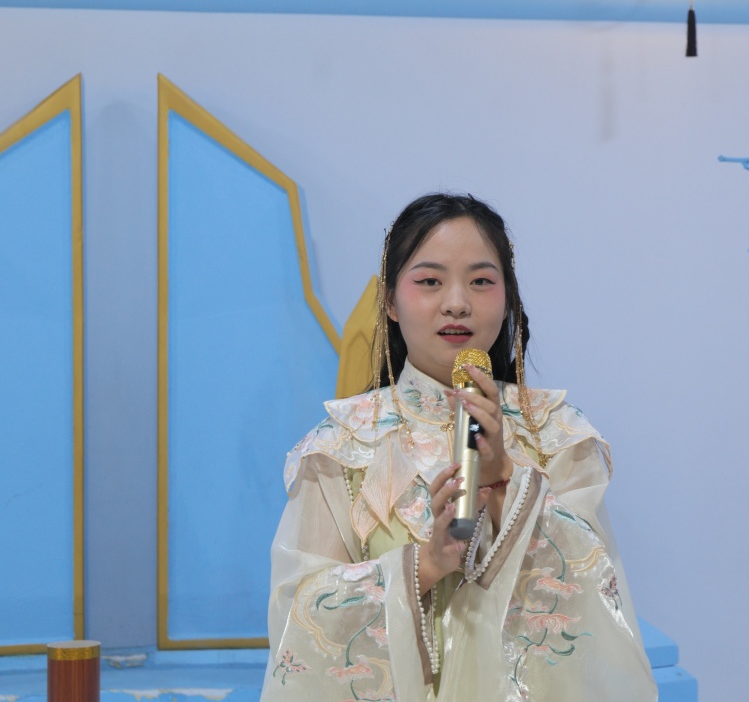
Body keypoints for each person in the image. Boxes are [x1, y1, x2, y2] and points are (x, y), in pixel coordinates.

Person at [261, 193, 657, 701]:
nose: (456, 302)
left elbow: (598, 600)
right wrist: (424, 565)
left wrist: (506, 483)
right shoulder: (341, 446)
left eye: (481, 281)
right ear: (390, 301)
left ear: (508, 298)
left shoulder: (557, 434)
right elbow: (299, 618)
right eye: (429, 281)